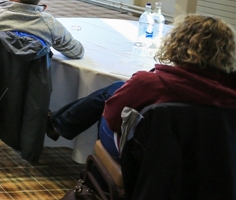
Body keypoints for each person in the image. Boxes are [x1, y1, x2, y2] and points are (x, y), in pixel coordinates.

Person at [48, 14, 236, 159]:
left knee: (112, 98)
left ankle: (65, 132)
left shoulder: (151, 83)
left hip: (144, 156)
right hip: (209, 159)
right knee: (117, 88)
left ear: (176, 44)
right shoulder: (228, 91)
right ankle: (59, 123)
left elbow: (113, 120)